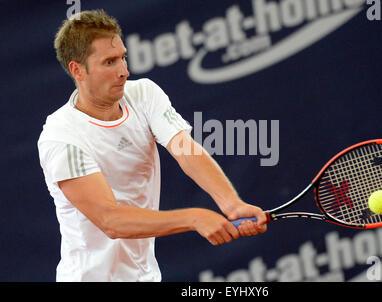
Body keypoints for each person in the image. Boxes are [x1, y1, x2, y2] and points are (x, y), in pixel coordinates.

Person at [37, 9, 267, 282]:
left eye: (122, 57)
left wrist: (231, 204)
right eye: (109, 62)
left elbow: (185, 148)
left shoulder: (144, 93)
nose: (124, 71)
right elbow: (110, 220)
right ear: (77, 70)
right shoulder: (61, 136)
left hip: (145, 275)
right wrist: (193, 218)